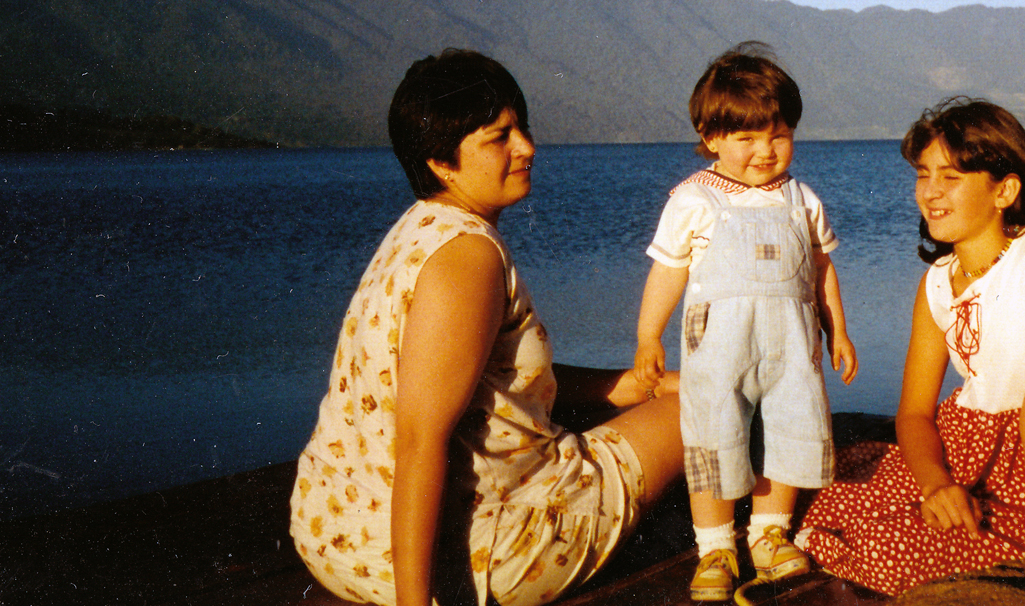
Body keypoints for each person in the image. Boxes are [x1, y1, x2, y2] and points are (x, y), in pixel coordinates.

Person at [290, 49, 684, 606]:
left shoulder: (420, 229)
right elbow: (420, 441)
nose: (526, 147)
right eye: (499, 137)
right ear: (442, 162)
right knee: (706, 408)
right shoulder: (468, 259)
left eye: (521, 127)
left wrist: (639, 385)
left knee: (669, 398)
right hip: (478, 557)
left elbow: (495, 381)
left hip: (337, 535)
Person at [798, 98, 1025, 595]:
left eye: (950, 178)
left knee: (883, 549)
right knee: (822, 490)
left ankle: (1023, 549)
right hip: (970, 446)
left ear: (1005, 190)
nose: (930, 193)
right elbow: (912, 415)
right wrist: (936, 484)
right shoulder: (936, 282)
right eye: (923, 175)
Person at [633, 44, 858, 603]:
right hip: (719, 347)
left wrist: (839, 330)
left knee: (791, 431)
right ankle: (714, 546)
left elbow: (821, 269)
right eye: (746, 137)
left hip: (792, 345)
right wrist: (647, 336)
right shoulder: (694, 198)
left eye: (778, 135)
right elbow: (667, 272)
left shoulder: (801, 199)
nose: (764, 151)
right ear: (711, 137)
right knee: (714, 434)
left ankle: (770, 534)